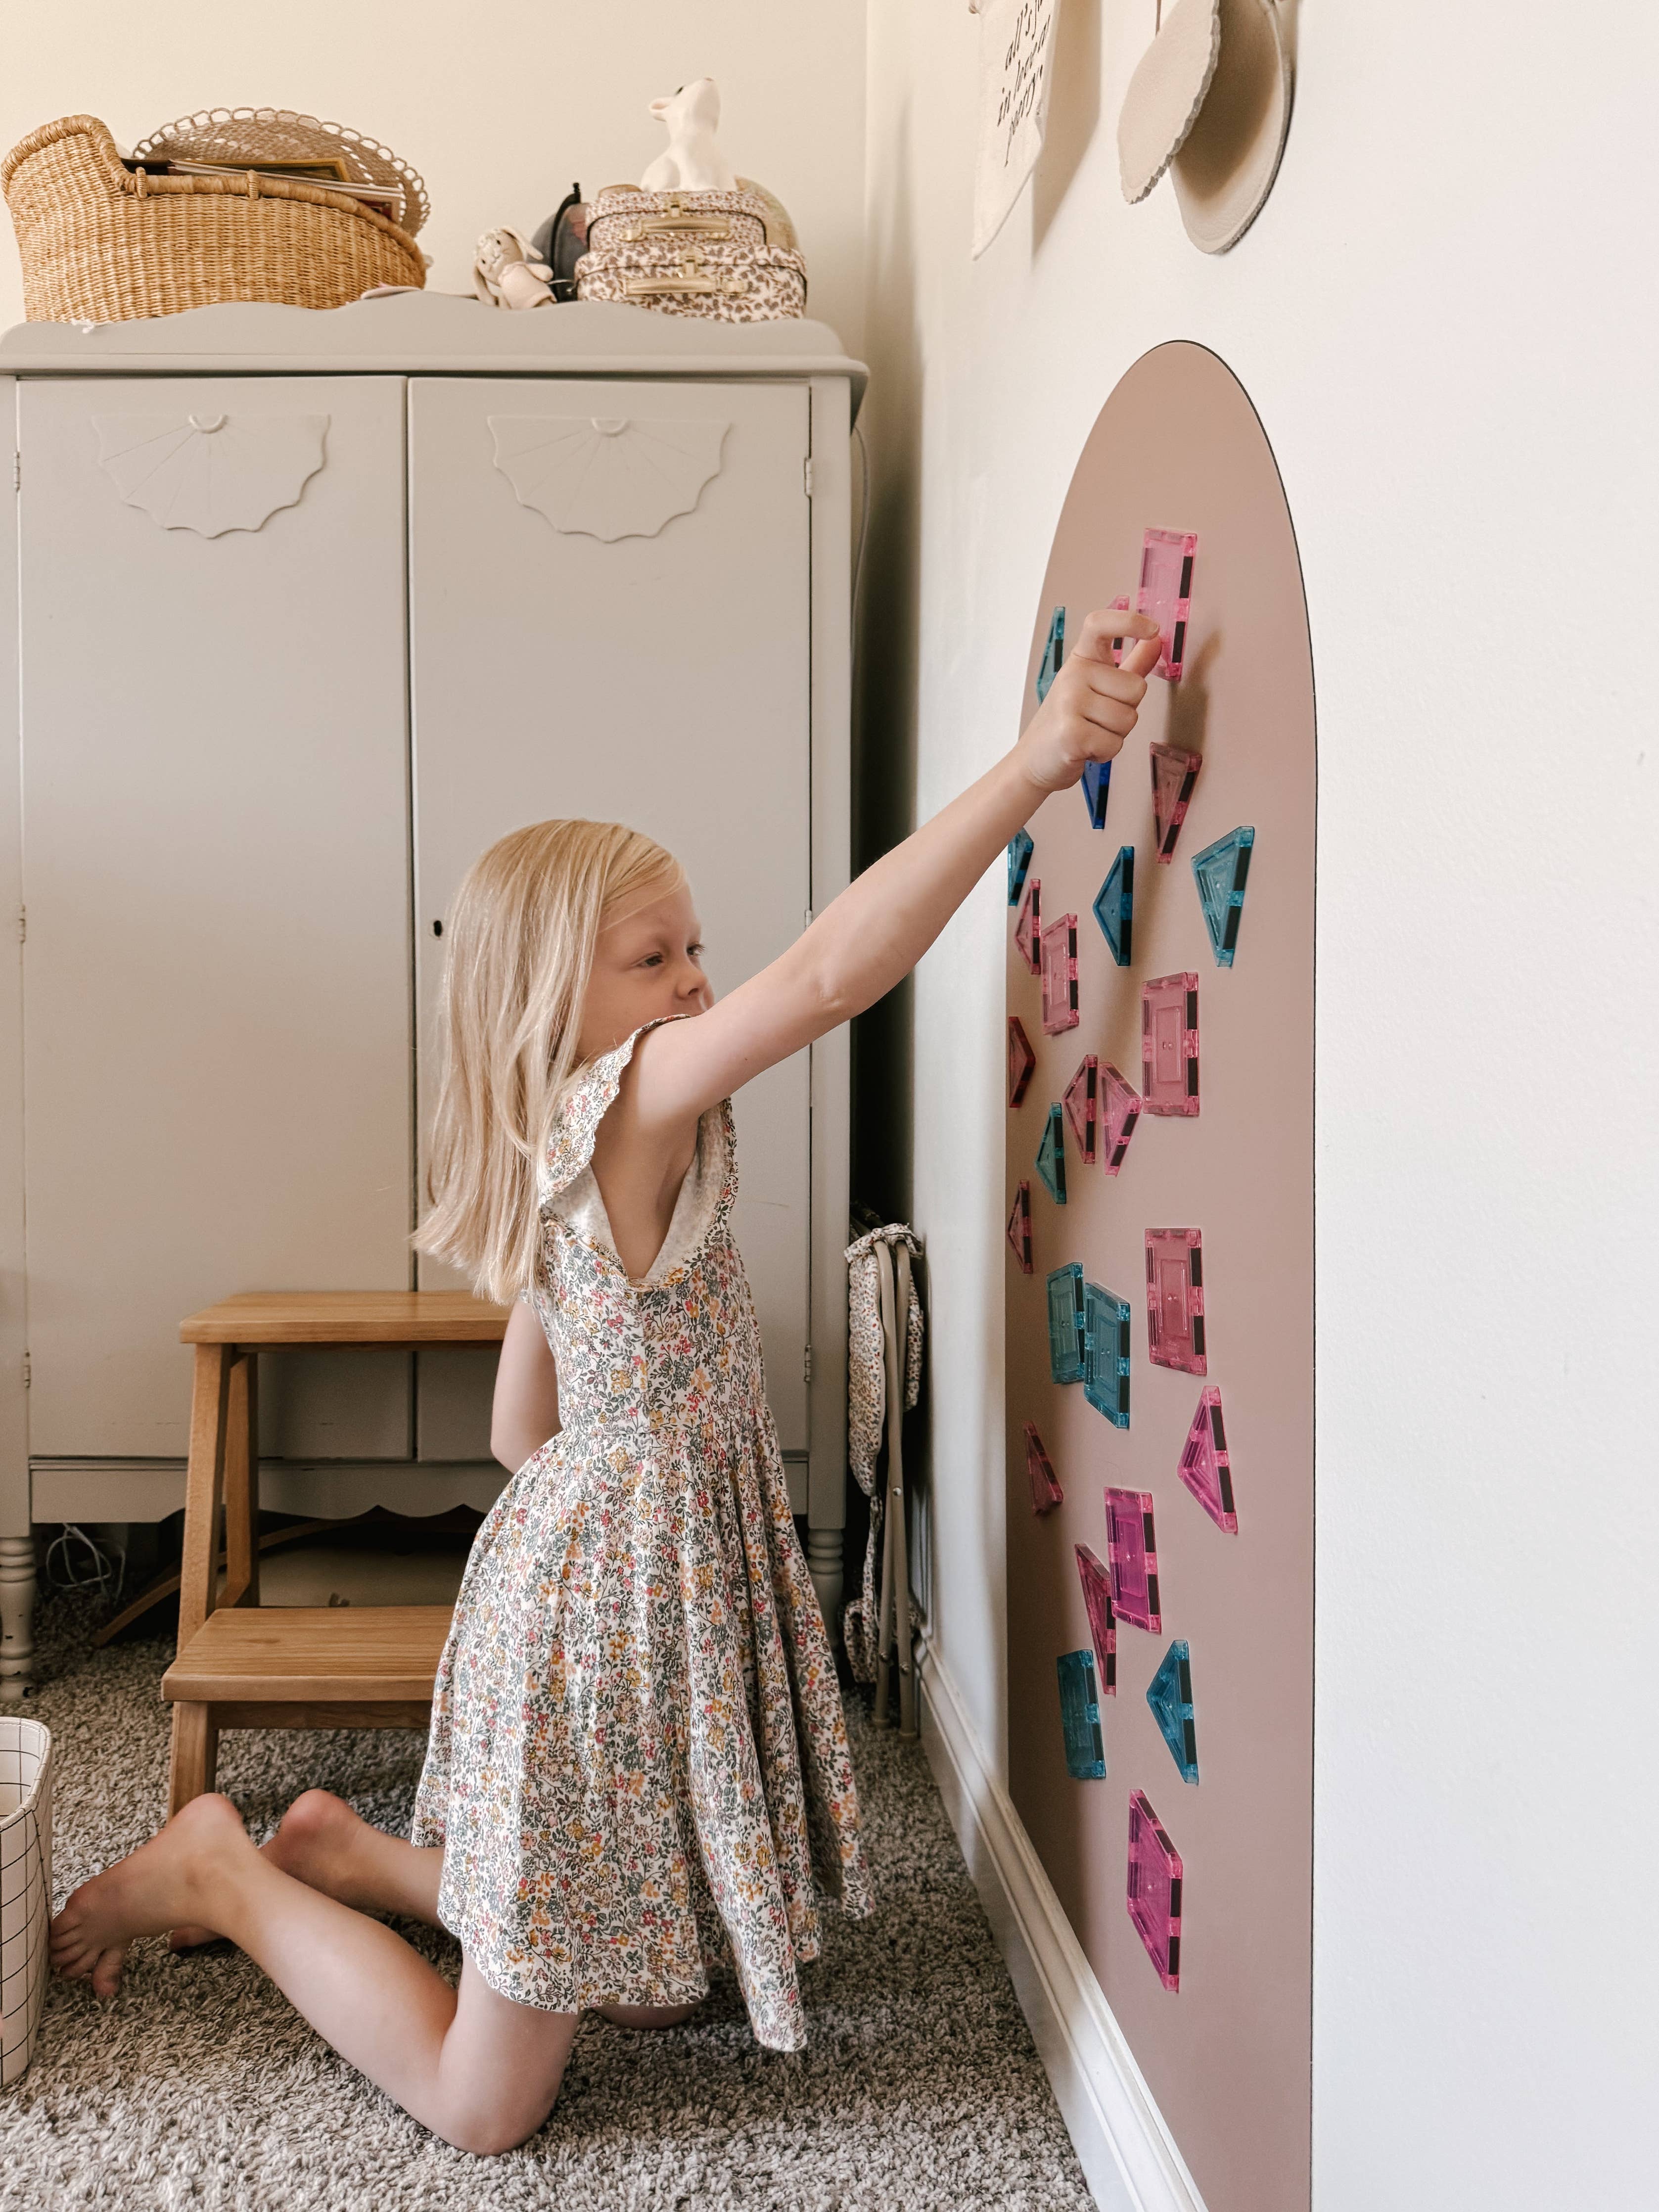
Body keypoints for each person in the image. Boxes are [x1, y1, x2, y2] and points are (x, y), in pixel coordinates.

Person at [49, 604, 1163, 2154]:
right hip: (606, 1602)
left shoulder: (568, 1144)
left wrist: (623, 1530)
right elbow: (829, 976)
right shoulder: (629, 1100)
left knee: (648, 1974)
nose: (698, 985)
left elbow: (522, 1431)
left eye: (695, 948)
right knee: (483, 2105)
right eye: (653, 959)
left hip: (599, 1586)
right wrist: (1032, 768)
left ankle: (348, 1853)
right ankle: (222, 1871)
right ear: (546, 999)